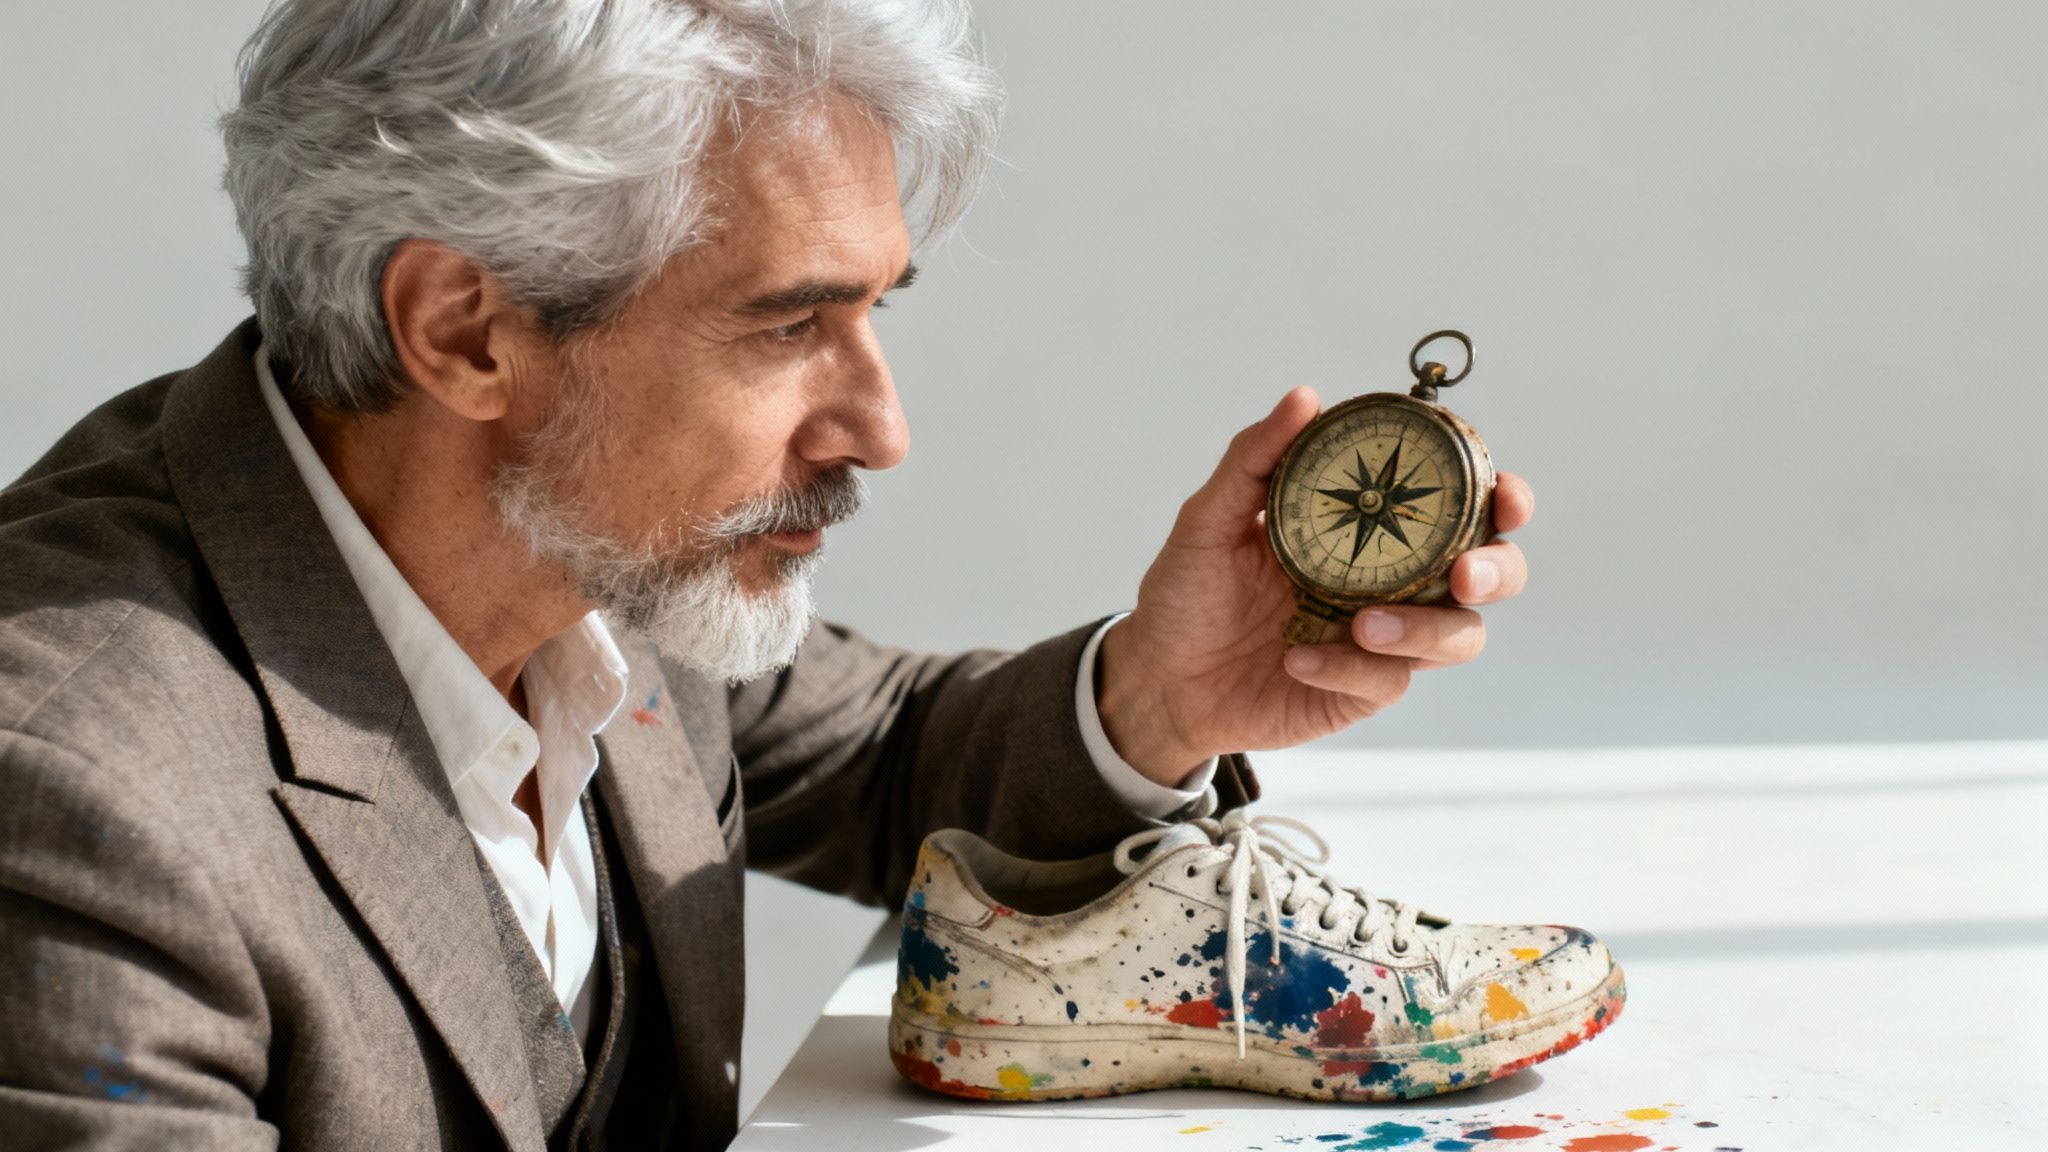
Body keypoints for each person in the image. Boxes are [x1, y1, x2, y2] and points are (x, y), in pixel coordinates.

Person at [0, 1, 1533, 1148]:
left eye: (877, 315)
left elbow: (882, 763)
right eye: (789, 326)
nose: (881, 428)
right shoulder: (74, 801)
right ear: (464, 328)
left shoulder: (586, 550)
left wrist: (1167, 686)